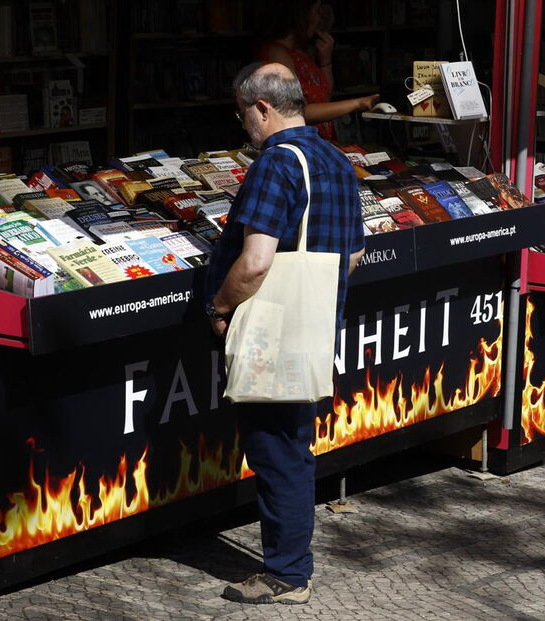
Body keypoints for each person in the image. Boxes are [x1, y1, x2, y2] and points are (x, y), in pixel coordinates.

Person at [205, 62, 365, 605]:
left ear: (263, 108)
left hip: (271, 330)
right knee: (293, 445)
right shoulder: (336, 159)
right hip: (314, 324)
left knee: (276, 449)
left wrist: (219, 306)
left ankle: (287, 573)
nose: (242, 123)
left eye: (242, 112)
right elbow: (354, 253)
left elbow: (254, 263)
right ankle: (292, 563)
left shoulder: (275, 164)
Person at [260, 0, 379, 141]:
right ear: (301, 15)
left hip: (318, 141)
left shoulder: (302, 52)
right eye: (316, 11)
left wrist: (325, 62)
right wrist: (358, 103)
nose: (319, 18)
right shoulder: (278, 53)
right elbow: (294, 112)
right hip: (300, 143)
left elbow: (324, 98)